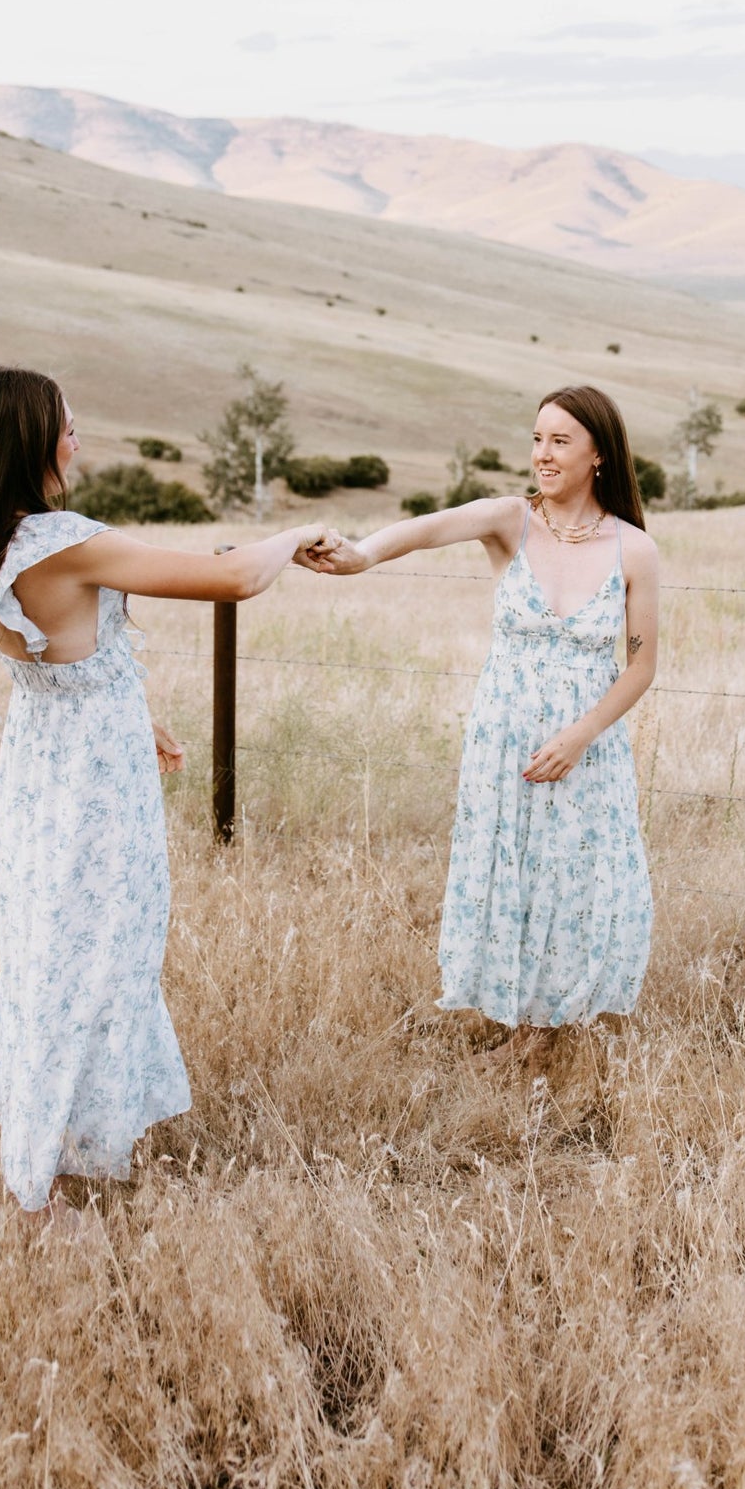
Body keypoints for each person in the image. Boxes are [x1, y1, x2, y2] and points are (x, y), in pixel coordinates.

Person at [0, 365, 338, 1221]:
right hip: (95, 786)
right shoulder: (66, 542)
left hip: (43, 770)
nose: (77, 440)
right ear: (28, 442)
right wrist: (295, 535)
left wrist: (139, 715)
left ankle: (69, 1146)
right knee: (99, 955)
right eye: (67, 427)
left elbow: (60, 660)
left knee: (53, 952)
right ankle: (49, 1176)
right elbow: (231, 579)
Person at [314, 385, 657, 1066]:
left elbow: (641, 667)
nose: (542, 454)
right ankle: (524, 1023)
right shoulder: (511, 520)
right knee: (512, 873)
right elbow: (426, 528)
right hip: (504, 741)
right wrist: (360, 555)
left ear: (598, 455)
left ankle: (545, 1034)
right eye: (537, 439)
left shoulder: (634, 549)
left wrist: (580, 736)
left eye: (560, 441)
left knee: (573, 879)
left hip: (584, 750)